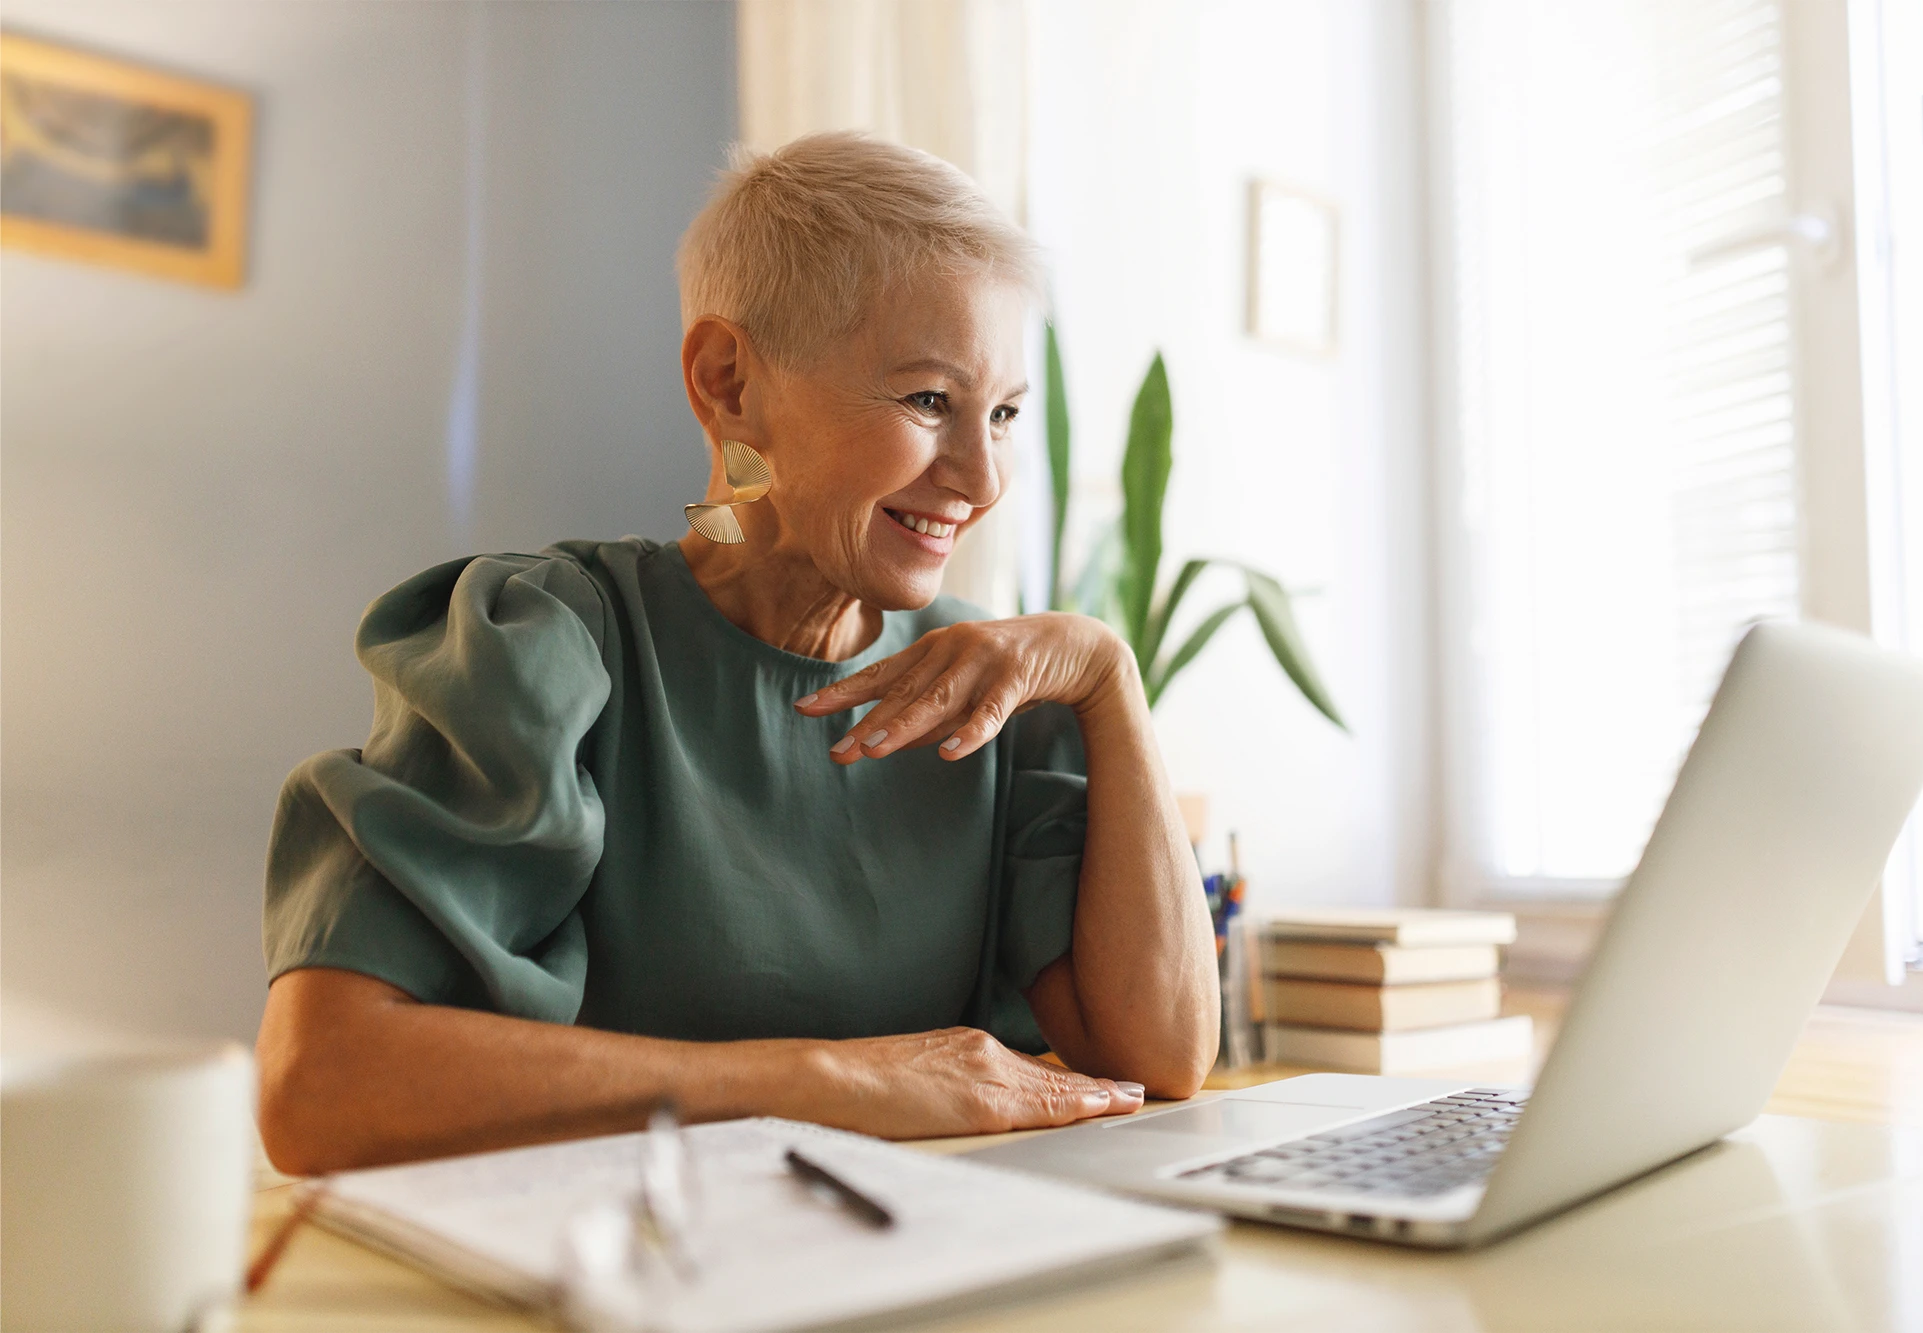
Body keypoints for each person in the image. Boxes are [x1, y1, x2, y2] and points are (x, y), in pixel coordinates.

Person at [255, 132, 1218, 1175]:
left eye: (1003, 413)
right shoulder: (548, 642)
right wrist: (831, 1086)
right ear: (728, 384)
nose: (981, 479)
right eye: (928, 400)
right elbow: (320, 1083)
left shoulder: (992, 691)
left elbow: (1160, 1059)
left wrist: (1108, 675)